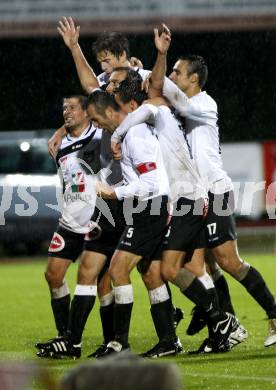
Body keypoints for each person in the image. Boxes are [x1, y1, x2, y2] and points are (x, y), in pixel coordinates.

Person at [151, 24, 276, 350]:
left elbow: (161, 87)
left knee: (227, 261)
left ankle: (275, 313)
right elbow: (160, 92)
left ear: (193, 79)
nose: (173, 76)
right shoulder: (176, 110)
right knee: (196, 266)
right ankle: (224, 326)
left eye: (178, 72)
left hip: (215, 191)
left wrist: (156, 58)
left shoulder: (203, 104)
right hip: (192, 195)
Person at [110, 37, 246, 354]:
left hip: (188, 198)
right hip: (186, 198)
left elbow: (143, 107)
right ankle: (218, 327)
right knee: (195, 267)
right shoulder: (164, 112)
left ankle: (224, 321)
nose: (163, 81)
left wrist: (117, 134)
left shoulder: (157, 110)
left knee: (172, 269)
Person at [87, 90, 180, 358]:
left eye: (96, 119)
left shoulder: (135, 135)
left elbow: (150, 181)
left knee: (117, 270)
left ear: (109, 112)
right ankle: (169, 341)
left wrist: (113, 193)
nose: (96, 126)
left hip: (151, 206)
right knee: (150, 272)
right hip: (147, 205)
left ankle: (120, 343)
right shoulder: (126, 135)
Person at [36, 95, 125, 359]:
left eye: (72, 107)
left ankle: (111, 340)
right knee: (53, 274)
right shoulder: (59, 146)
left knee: (103, 284)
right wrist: (60, 132)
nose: (66, 112)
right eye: (63, 108)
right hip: (70, 221)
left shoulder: (100, 134)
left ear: (88, 112)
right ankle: (66, 336)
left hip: (98, 220)